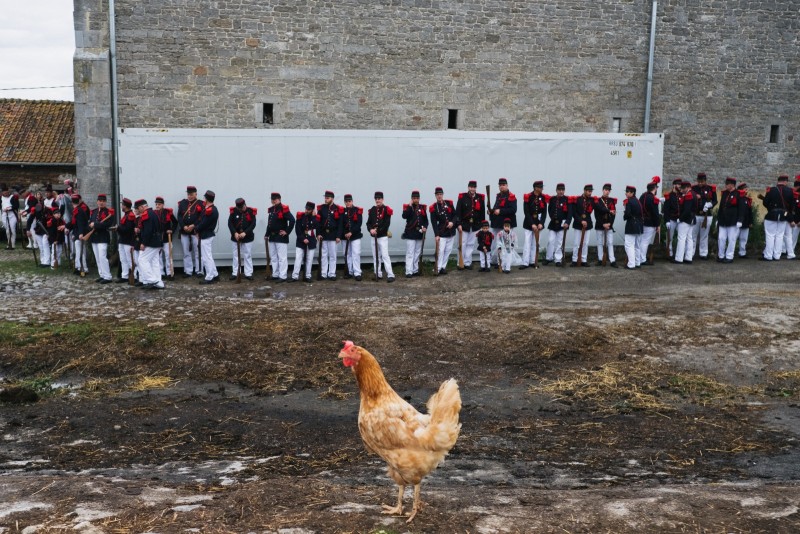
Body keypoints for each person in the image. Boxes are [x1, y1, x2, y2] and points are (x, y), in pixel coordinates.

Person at [761, 174, 794, 261]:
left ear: (778, 181)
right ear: (785, 181)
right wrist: (789, 217)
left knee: (770, 236)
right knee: (779, 236)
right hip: (784, 215)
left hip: (772, 215)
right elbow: (791, 206)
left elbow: (765, 203)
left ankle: (768, 256)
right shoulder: (790, 191)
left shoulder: (771, 190)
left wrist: (771, 207)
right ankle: (777, 256)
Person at [134, 199, 165, 290]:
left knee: (142, 259)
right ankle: (159, 282)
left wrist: (144, 243)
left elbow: (148, 231)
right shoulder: (153, 213)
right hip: (156, 240)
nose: (138, 210)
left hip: (151, 242)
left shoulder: (146, 214)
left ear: (142, 207)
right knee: (154, 262)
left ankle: (151, 280)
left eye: (138, 208)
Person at [265, 192, 295, 282]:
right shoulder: (271, 210)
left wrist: (287, 231)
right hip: (272, 236)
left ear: (279, 199)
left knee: (282, 258)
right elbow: (269, 224)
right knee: (273, 257)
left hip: (281, 236)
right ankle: (275, 273)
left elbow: (292, 220)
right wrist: (267, 234)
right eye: (272, 199)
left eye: (275, 199)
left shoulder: (284, 209)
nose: (273, 201)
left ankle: (283, 276)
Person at [455, 180, 485, 269]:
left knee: (471, 244)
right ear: (468, 187)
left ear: (476, 188)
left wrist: (482, 225)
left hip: (475, 225)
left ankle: (468, 262)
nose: (472, 189)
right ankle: (460, 262)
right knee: (462, 244)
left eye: (474, 187)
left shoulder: (480, 198)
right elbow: (458, 212)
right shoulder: (462, 197)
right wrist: (458, 224)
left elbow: (482, 212)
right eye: (471, 187)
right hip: (464, 225)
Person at [715, 177, 746, 263]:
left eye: (727, 184)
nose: (725, 185)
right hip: (723, 220)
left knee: (732, 239)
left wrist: (740, 220)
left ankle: (729, 256)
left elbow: (742, 208)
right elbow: (721, 207)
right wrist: (718, 218)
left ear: (732, 185)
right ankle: (721, 255)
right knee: (721, 238)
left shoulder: (739, 194)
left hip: (733, 221)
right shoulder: (724, 193)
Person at [367, 191, 395, 282]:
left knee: (385, 256)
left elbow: (386, 224)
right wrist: (371, 230)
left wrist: (377, 231)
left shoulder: (387, 209)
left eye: (379, 198)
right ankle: (378, 274)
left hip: (382, 237)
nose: (377, 200)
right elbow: (368, 223)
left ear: (382, 199)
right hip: (373, 237)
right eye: (376, 199)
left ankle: (390, 275)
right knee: (376, 256)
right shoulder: (372, 210)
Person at [177, 186, 204, 278]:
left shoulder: (200, 203)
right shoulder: (182, 203)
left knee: (198, 252)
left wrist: (193, 225)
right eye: (188, 194)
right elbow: (179, 216)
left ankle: (199, 270)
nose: (190, 196)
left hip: (196, 231)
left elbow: (202, 217)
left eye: (191, 194)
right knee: (186, 252)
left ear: (196, 194)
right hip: (184, 231)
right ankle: (188, 271)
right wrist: (183, 226)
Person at [489, 177, 517, 265]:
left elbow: (513, 210)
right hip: (497, 223)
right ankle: (496, 260)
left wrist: (500, 211)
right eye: (500, 185)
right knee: (496, 243)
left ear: (507, 185)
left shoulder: (511, 196)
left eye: (503, 185)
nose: (501, 187)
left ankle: (505, 261)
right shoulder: (498, 196)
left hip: (506, 224)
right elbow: (496, 207)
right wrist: (491, 211)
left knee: (506, 243)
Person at [88, 193, 115, 283]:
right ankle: (102, 274)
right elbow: (90, 222)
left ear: (106, 202)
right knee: (97, 257)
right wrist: (91, 225)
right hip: (94, 237)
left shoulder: (109, 212)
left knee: (102, 257)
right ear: (97, 202)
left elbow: (107, 224)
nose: (102, 203)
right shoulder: (94, 211)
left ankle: (107, 276)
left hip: (103, 237)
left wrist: (95, 224)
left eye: (103, 201)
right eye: (100, 201)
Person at [228, 197, 257, 281]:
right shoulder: (233, 211)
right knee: (235, 255)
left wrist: (245, 233)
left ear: (245, 205)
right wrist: (235, 233)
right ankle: (236, 272)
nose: (242, 209)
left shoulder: (251, 211)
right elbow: (230, 223)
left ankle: (248, 273)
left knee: (247, 255)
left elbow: (253, 224)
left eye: (243, 207)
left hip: (247, 237)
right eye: (240, 208)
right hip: (236, 237)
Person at [430, 186, 457, 275]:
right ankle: (437, 268)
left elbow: (455, 215)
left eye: (440, 194)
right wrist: (436, 235)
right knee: (440, 251)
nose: (439, 196)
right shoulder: (434, 207)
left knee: (448, 251)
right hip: (442, 232)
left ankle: (443, 267)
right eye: (437, 195)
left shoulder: (449, 203)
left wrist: (452, 223)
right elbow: (434, 223)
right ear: (435, 196)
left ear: (443, 194)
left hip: (451, 232)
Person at [317, 190, 343, 281]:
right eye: (325, 197)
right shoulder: (321, 208)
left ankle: (332, 273)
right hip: (324, 234)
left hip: (333, 234)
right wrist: (318, 234)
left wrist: (338, 236)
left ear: (332, 198)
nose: (326, 199)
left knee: (332, 255)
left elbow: (340, 224)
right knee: (324, 255)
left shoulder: (337, 209)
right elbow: (319, 222)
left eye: (327, 198)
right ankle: (324, 273)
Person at [401, 190, 427, 278]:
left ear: (419, 198)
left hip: (419, 233)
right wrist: (409, 205)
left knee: (417, 253)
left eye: (417, 198)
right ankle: (409, 271)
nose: (415, 199)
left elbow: (426, 220)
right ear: (412, 199)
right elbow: (404, 216)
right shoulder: (408, 207)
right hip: (410, 233)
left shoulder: (422, 208)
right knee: (410, 253)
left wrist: (425, 227)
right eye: (414, 198)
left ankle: (415, 270)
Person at [521, 180, 547, 269]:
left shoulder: (543, 197)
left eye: (542, 187)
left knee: (535, 244)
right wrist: (532, 224)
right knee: (527, 243)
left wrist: (541, 223)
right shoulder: (528, 197)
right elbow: (526, 212)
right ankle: (525, 262)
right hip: (529, 224)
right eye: (540, 187)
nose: (542, 188)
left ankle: (533, 261)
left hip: (538, 225)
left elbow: (544, 213)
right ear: (535, 188)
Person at [291, 201, 319, 282]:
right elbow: (297, 230)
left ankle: (308, 276)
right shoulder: (300, 217)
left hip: (311, 240)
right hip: (301, 240)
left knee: (309, 259)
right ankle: (295, 276)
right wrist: (303, 239)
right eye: (306, 208)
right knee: (298, 258)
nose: (306, 210)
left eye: (309, 209)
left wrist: (314, 217)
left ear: (312, 210)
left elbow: (316, 226)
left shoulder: (315, 218)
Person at [691, 172, 717, 260]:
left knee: (704, 236)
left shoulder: (711, 189)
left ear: (705, 181)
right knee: (693, 235)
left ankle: (703, 253)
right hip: (696, 214)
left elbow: (715, 200)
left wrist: (710, 205)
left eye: (702, 181)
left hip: (706, 216)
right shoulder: (693, 188)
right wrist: (696, 196)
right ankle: (690, 253)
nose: (700, 183)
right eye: (699, 181)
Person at [196, 190, 219, 284]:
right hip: (207, 234)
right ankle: (215, 274)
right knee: (208, 256)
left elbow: (204, 223)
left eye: (205, 198)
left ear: (207, 199)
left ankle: (209, 277)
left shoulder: (210, 210)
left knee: (206, 257)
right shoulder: (210, 208)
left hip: (206, 235)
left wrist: (196, 229)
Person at [544, 183, 570, 267]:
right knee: (551, 241)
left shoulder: (567, 199)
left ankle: (558, 259)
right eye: (559, 190)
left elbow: (570, 213)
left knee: (559, 242)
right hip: (553, 223)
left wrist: (567, 222)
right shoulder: (552, 199)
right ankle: (549, 258)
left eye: (562, 190)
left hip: (562, 225)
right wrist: (552, 217)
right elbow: (549, 209)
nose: (561, 191)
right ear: (556, 190)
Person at [570, 184, 595, 267]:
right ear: (584, 190)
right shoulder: (577, 199)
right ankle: (574, 259)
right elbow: (574, 213)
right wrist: (581, 221)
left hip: (588, 223)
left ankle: (584, 260)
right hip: (578, 223)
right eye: (588, 191)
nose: (590, 193)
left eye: (591, 191)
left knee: (585, 243)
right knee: (576, 243)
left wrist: (609, 211)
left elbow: (599, 208)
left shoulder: (592, 200)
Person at [593, 183, 617, 267]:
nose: (607, 192)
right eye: (606, 190)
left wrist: (610, 224)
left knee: (610, 243)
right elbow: (597, 215)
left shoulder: (612, 201)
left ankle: (612, 260)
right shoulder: (598, 201)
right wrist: (603, 224)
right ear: (602, 190)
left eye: (608, 190)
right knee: (600, 243)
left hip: (609, 225)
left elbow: (614, 214)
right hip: (600, 225)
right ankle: (600, 259)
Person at [638, 178, 661, 266]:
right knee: (645, 241)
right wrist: (658, 224)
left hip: (642, 221)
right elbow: (655, 214)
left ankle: (640, 257)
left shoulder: (643, 196)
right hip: (650, 222)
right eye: (656, 188)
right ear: (654, 188)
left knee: (642, 240)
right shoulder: (653, 198)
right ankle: (642, 259)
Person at [673, 181, 697, 264]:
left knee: (681, 238)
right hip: (691, 219)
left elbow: (687, 210)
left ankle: (679, 258)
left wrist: (681, 218)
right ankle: (688, 257)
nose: (682, 190)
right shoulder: (693, 194)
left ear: (687, 187)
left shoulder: (689, 195)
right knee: (689, 238)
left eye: (683, 188)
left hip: (686, 220)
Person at [342, 193, 364, 281]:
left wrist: (351, 232)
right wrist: (345, 233)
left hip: (355, 236)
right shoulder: (342, 211)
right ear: (344, 202)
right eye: (346, 202)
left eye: (349, 201)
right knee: (347, 254)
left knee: (356, 254)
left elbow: (359, 224)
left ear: (352, 201)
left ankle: (357, 272)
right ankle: (349, 271)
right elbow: (341, 224)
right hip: (345, 236)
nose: (348, 203)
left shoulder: (357, 210)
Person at [154, 196, 177, 279]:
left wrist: (171, 230)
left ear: (163, 205)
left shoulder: (168, 212)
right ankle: (161, 273)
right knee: (158, 257)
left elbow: (175, 222)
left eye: (159, 204)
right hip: (157, 239)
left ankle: (169, 273)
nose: (157, 206)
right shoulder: (153, 213)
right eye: (156, 204)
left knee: (168, 255)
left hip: (167, 238)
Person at [116, 197, 138, 283]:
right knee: (123, 259)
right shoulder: (126, 215)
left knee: (130, 260)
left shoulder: (131, 216)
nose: (121, 206)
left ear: (125, 206)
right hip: (122, 240)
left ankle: (134, 276)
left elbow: (128, 230)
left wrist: (118, 228)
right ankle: (124, 276)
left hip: (128, 241)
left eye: (122, 205)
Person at [26, 196, 50, 267]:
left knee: (45, 246)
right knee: (41, 246)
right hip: (38, 230)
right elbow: (30, 220)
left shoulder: (48, 211)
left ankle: (47, 262)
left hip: (46, 230)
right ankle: (43, 261)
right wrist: (27, 230)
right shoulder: (35, 210)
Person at [622, 185, 643, 270]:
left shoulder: (629, 201)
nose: (626, 193)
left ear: (632, 193)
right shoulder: (637, 201)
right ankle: (637, 262)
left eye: (627, 192)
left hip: (632, 224)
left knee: (629, 245)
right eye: (626, 191)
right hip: (639, 225)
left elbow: (627, 214)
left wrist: (625, 214)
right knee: (637, 246)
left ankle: (631, 264)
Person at [70, 194, 90, 275]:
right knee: (80, 252)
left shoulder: (78, 210)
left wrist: (81, 233)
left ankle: (83, 268)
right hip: (78, 233)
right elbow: (74, 224)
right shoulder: (78, 209)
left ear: (72, 203)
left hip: (80, 234)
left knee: (80, 252)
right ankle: (79, 267)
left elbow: (80, 223)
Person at [662, 178, 682, 259]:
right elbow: (666, 210)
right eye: (678, 184)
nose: (679, 186)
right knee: (669, 237)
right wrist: (667, 221)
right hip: (672, 219)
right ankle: (669, 253)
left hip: (680, 220)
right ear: (674, 185)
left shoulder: (682, 195)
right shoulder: (669, 196)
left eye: (680, 184)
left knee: (681, 237)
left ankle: (679, 254)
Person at [784, 177, 800, 260]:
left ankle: (790, 251)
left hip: (797, 221)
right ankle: (785, 251)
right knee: (787, 236)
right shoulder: (790, 194)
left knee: (793, 237)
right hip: (790, 219)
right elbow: (787, 209)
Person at [736, 183, 753, 259]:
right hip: (737, 222)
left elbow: (750, 212)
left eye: (747, 189)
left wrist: (750, 222)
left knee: (744, 238)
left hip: (746, 222)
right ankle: (730, 252)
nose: (746, 190)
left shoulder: (747, 199)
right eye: (745, 189)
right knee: (734, 237)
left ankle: (742, 253)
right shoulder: (737, 198)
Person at [1, 183, 20, 249]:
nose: (6, 194)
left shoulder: (13, 197)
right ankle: (9, 243)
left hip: (12, 214)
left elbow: (16, 206)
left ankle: (13, 244)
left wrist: (9, 208)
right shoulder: (1, 198)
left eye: (7, 192)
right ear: (2, 193)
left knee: (12, 229)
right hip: (4, 215)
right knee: (7, 230)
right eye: (4, 193)